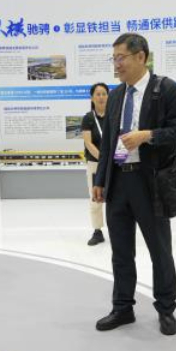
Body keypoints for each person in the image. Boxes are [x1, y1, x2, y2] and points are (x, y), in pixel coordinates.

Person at [92, 33, 176, 336]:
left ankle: (166, 309)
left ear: (140, 57)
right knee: (121, 251)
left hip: (152, 183)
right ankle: (123, 307)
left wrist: (147, 135)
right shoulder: (117, 95)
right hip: (120, 181)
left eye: (121, 57)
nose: (116, 64)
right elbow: (109, 142)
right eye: (114, 58)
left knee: (159, 250)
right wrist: (100, 180)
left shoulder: (166, 89)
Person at [81, 82, 110, 246]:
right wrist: (102, 158)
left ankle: (117, 229)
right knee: (95, 198)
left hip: (114, 164)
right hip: (95, 164)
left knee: (115, 197)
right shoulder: (88, 118)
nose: (101, 97)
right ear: (92, 97)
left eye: (104, 94)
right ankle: (97, 231)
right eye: (98, 94)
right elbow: (88, 143)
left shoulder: (114, 115)